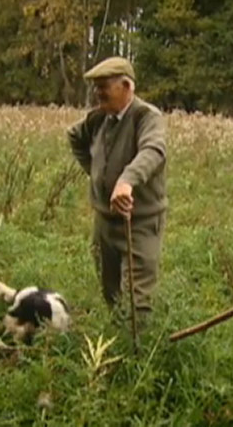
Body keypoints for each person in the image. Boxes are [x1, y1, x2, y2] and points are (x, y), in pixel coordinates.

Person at [67, 57, 167, 327]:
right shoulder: (100, 117)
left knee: (138, 300)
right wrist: (96, 173)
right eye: (95, 87)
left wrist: (126, 181)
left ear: (126, 86)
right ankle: (118, 339)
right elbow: (74, 136)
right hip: (104, 223)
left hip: (140, 222)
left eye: (104, 87)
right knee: (111, 293)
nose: (97, 94)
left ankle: (138, 357)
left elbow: (154, 151)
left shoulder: (146, 117)